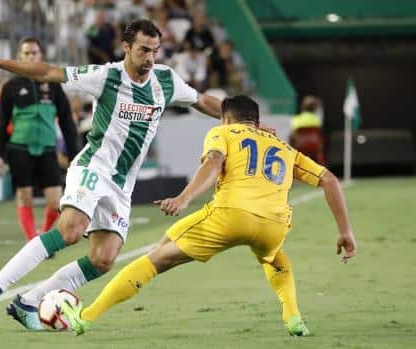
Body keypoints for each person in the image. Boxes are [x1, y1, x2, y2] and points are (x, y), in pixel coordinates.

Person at [0, 19, 222, 331]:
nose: (150, 58)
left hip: (121, 184)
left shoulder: (165, 80)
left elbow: (203, 101)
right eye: (143, 50)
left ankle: (28, 301)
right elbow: (47, 72)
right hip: (93, 167)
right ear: (126, 47)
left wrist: (246, 121)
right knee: (70, 230)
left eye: (155, 51)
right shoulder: (105, 76)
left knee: (103, 259)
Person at [61, 95, 357, 337]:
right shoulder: (285, 147)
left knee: (155, 260)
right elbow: (329, 179)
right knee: (273, 256)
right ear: (256, 120)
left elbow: (214, 163)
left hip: (229, 216)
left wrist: (183, 197)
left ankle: (85, 317)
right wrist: (345, 231)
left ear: (226, 118)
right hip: (274, 224)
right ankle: (294, 318)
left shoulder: (222, 132)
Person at [0, 37, 79, 242]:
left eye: (34, 53)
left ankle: (43, 235)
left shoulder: (54, 85)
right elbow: (0, 123)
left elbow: (66, 121)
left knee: (55, 200)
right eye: (26, 53)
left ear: (41, 56)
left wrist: (74, 153)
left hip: (48, 149)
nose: (31, 56)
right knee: (24, 196)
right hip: (19, 148)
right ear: (19, 57)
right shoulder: (11, 87)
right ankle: (32, 241)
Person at [290, 95, 324, 164]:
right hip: (314, 151)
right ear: (314, 109)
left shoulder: (296, 120)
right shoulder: (317, 121)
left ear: (302, 107)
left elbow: (292, 136)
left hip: (299, 149)